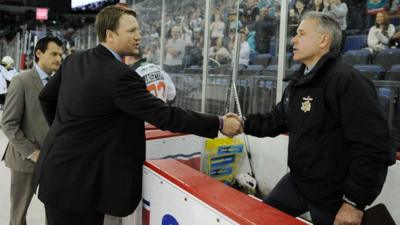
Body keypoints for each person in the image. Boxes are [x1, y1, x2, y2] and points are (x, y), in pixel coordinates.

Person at [31, 6, 242, 225]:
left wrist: (64, 132)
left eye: (138, 30)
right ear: (110, 35)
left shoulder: (75, 60)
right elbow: (164, 115)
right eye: (131, 31)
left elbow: (46, 97)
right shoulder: (120, 76)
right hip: (79, 184)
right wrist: (218, 123)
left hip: (57, 173)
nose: (139, 36)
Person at [229, 12, 395, 225]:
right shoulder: (300, 82)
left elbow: (374, 146)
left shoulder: (347, 81)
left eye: (301, 33)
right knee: (261, 220)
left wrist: (354, 203)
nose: (293, 39)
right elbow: (277, 119)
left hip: (333, 194)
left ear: (323, 40)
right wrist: (243, 123)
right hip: (298, 182)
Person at [1, 37, 63, 225]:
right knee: (18, 215)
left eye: (61, 55)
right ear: (39, 53)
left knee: (55, 213)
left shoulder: (59, 82)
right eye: (54, 54)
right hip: (25, 159)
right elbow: (9, 123)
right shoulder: (21, 81)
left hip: (53, 160)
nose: (59, 59)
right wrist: (32, 152)